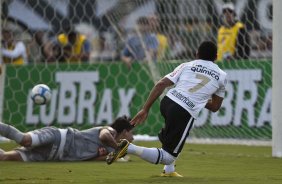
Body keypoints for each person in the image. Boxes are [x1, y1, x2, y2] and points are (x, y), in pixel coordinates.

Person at [106, 41, 228, 177]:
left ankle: (169, 171)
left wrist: (145, 109)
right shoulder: (222, 76)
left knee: (173, 136)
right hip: (184, 110)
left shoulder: (186, 65)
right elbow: (215, 107)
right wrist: (199, 98)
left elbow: (161, 84)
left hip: (167, 102)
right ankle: (129, 148)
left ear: (197, 54)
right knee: (168, 156)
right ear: (216, 56)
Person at [0, 116, 134, 161]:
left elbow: (90, 159)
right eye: (130, 133)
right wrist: (118, 149)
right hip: (59, 138)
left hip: (52, 156)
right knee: (24, 140)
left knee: (6, 157)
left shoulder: (110, 149)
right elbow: (103, 136)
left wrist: (116, 156)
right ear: (123, 131)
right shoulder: (110, 131)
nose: (132, 137)